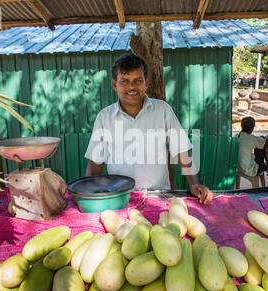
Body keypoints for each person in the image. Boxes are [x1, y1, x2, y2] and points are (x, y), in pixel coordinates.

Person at [84, 53, 213, 204]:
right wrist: (87, 192)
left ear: (146, 82)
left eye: (138, 80)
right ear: (115, 84)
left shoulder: (163, 110)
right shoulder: (104, 117)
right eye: (124, 81)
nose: (131, 86)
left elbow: (182, 150)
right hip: (120, 199)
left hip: (159, 198)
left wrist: (194, 184)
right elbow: (95, 163)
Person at [237, 116, 268, 183]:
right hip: (250, 170)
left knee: (261, 142)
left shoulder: (238, 135)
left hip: (239, 167)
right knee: (264, 145)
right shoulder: (252, 138)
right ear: (252, 128)